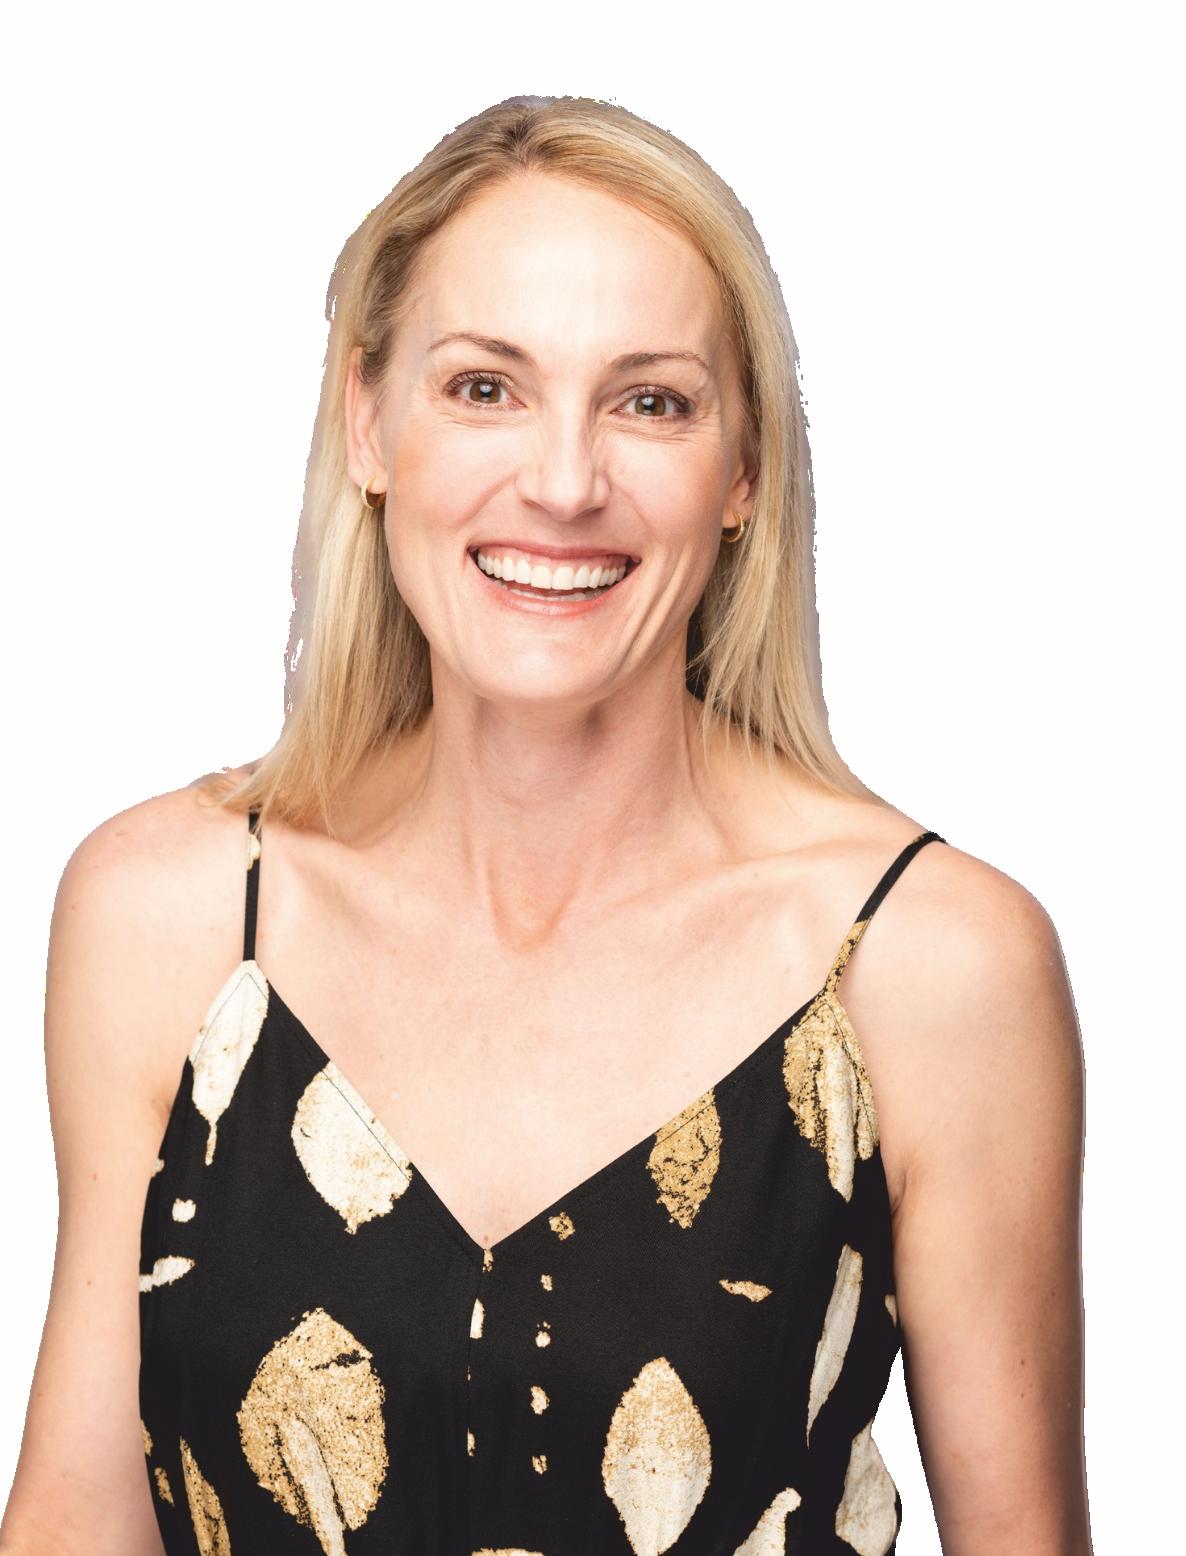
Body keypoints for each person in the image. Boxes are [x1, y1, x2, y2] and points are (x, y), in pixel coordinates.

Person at [0, 95, 1091, 1555]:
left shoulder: (925, 962)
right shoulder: (174, 918)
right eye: (484, 387)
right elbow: (76, 1519)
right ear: (368, 422)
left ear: (743, 472)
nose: (565, 484)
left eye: (651, 403)